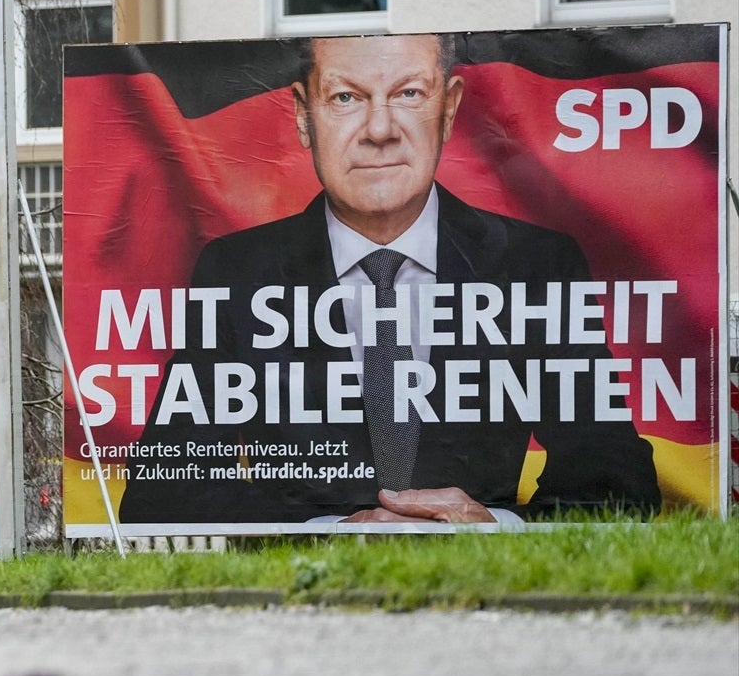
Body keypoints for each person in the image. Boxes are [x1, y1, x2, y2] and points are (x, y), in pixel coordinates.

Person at [117, 33, 660, 525]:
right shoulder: (237, 274)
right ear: (305, 116)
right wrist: (330, 533)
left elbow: (619, 484)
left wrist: (497, 530)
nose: (379, 131)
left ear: (448, 110)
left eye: (408, 95)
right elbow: (162, 495)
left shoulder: (535, 265)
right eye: (346, 98)